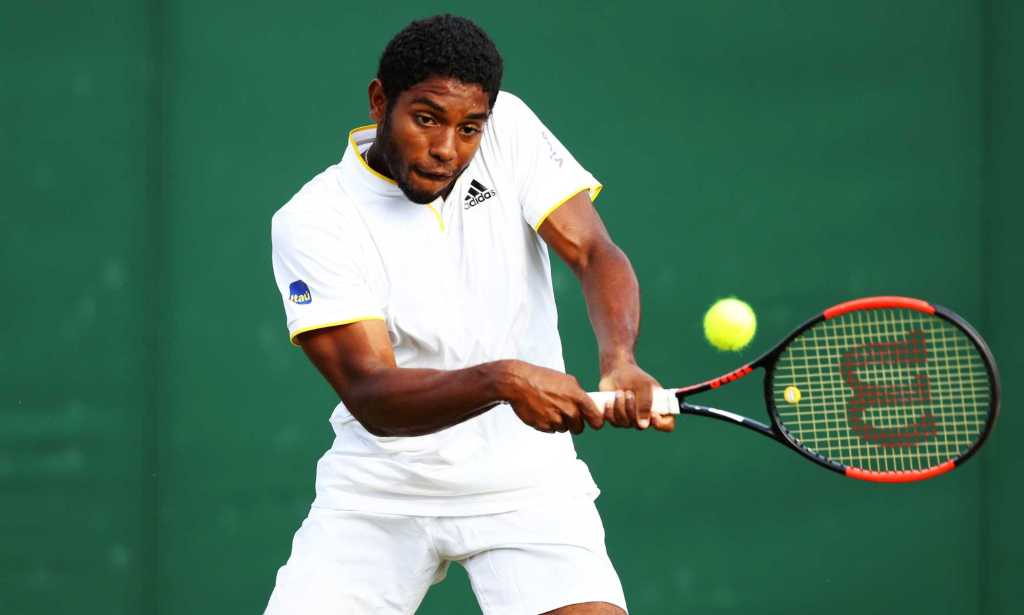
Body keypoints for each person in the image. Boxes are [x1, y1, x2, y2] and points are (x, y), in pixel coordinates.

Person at [265, 14, 674, 615]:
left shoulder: (509, 130)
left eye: (468, 128)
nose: (446, 150)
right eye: (425, 119)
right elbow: (372, 394)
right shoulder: (314, 219)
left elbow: (592, 250)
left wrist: (620, 360)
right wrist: (504, 380)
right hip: (380, 490)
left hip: (525, 482)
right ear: (381, 100)